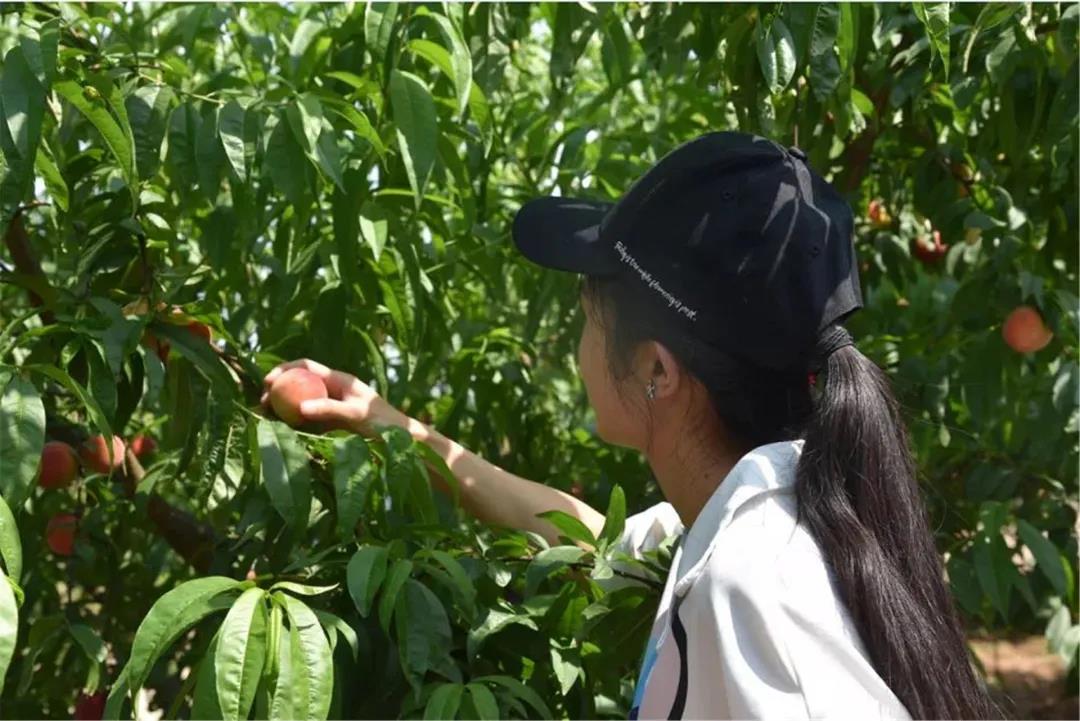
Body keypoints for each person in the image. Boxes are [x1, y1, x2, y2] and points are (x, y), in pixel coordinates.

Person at [261, 131, 1006, 720]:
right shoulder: (761, 512)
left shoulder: (752, 587)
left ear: (657, 369)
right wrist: (384, 422)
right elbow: (581, 535)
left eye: (588, 319)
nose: (576, 348)